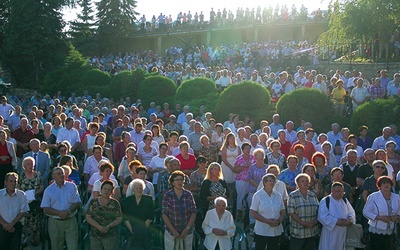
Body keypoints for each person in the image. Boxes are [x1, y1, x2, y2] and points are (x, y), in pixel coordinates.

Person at [41, 167, 81, 250]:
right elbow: (45, 208)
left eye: (62, 173)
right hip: (55, 222)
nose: (61, 175)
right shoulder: (48, 190)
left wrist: (68, 211)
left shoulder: (72, 186)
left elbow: (77, 202)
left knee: (73, 246)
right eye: (58, 174)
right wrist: (59, 213)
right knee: (56, 246)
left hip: (70, 220)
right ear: (53, 176)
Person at [162, 170, 197, 250]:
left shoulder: (188, 194)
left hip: (187, 231)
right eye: (177, 180)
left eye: (181, 179)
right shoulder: (167, 195)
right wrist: (173, 231)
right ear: (172, 182)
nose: (179, 182)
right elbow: (164, 214)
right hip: (171, 231)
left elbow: (193, 212)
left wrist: (187, 228)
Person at [363, 176, 400, 250]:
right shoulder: (373, 197)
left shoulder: (397, 197)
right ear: (379, 186)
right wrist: (379, 218)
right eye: (383, 183)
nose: (386, 185)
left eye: (388, 183)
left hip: (391, 231)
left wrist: (397, 217)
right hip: (376, 231)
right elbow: (366, 212)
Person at [250, 173, 286, 250]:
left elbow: (283, 212)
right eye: (269, 181)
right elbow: (253, 213)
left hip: (275, 230)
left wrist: (279, 221)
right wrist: (267, 221)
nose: (271, 183)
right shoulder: (257, 195)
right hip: (262, 230)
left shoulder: (278, 196)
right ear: (264, 183)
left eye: (273, 181)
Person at [318, 182, 356, 250]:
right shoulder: (326, 200)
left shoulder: (344, 200)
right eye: (338, 191)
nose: (340, 193)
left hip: (344, 231)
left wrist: (350, 220)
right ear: (332, 191)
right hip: (331, 232)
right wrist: (336, 221)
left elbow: (351, 212)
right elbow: (322, 216)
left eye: (342, 192)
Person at [86, 180, 122, 250]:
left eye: (109, 190)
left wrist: (109, 226)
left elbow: (119, 218)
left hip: (110, 235)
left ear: (112, 192)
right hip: (95, 234)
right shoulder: (94, 202)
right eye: (105, 189)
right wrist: (98, 227)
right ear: (101, 189)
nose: (106, 191)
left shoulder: (115, 203)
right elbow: (88, 217)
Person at [287, 173, 319, 250]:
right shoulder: (293, 196)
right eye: (302, 181)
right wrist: (302, 223)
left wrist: (315, 221)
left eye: (307, 181)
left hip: (311, 231)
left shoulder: (313, 195)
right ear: (297, 183)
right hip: (298, 232)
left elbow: (319, 210)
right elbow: (291, 212)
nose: (305, 183)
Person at [18, 157, 44, 246]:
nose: (30, 165)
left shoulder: (38, 174)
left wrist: (36, 193)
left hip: (35, 201)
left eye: (32, 164)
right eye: (28, 164)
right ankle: (24, 238)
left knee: (35, 220)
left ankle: (33, 237)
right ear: (24, 165)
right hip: (24, 201)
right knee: (24, 220)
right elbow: (17, 188)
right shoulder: (20, 176)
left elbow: (41, 186)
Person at [121, 179, 154, 250]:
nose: (138, 190)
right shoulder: (127, 200)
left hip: (145, 227)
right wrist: (131, 229)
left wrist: (142, 228)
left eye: (140, 188)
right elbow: (125, 217)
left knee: (143, 233)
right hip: (131, 226)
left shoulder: (148, 199)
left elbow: (150, 216)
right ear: (133, 190)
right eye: (136, 188)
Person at [0, 172, 29, 250]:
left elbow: (23, 211)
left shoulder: (22, 195)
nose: (13, 184)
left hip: (16, 225)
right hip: (2, 226)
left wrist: (12, 224)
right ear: (5, 182)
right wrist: (6, 225)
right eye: (11, 181)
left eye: (15, 181)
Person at [233, 142, 256, 222]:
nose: (248, 150)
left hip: (251, 181)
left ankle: (248, 215)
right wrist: (244, 166)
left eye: (249, 148)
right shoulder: (239, 158)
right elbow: (235, 170)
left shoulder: (253, 158)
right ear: (242, 150)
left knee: (250, 198)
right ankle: (239, 216)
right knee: (241, 197)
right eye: (246, 148)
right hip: (241, 180)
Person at [220, 132, 241, 206]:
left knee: (235, 184)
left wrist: (236, 167)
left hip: (235, 167)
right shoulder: (225, 148)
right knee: (227, 183)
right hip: (226, 166)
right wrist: (231, 167)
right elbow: (224, 159)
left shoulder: (238, 148)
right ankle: (227, 201)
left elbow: (239, 158)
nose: (232, 140)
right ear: (227, 139)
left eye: (233, 138)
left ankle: (234, 201)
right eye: (230, 138)